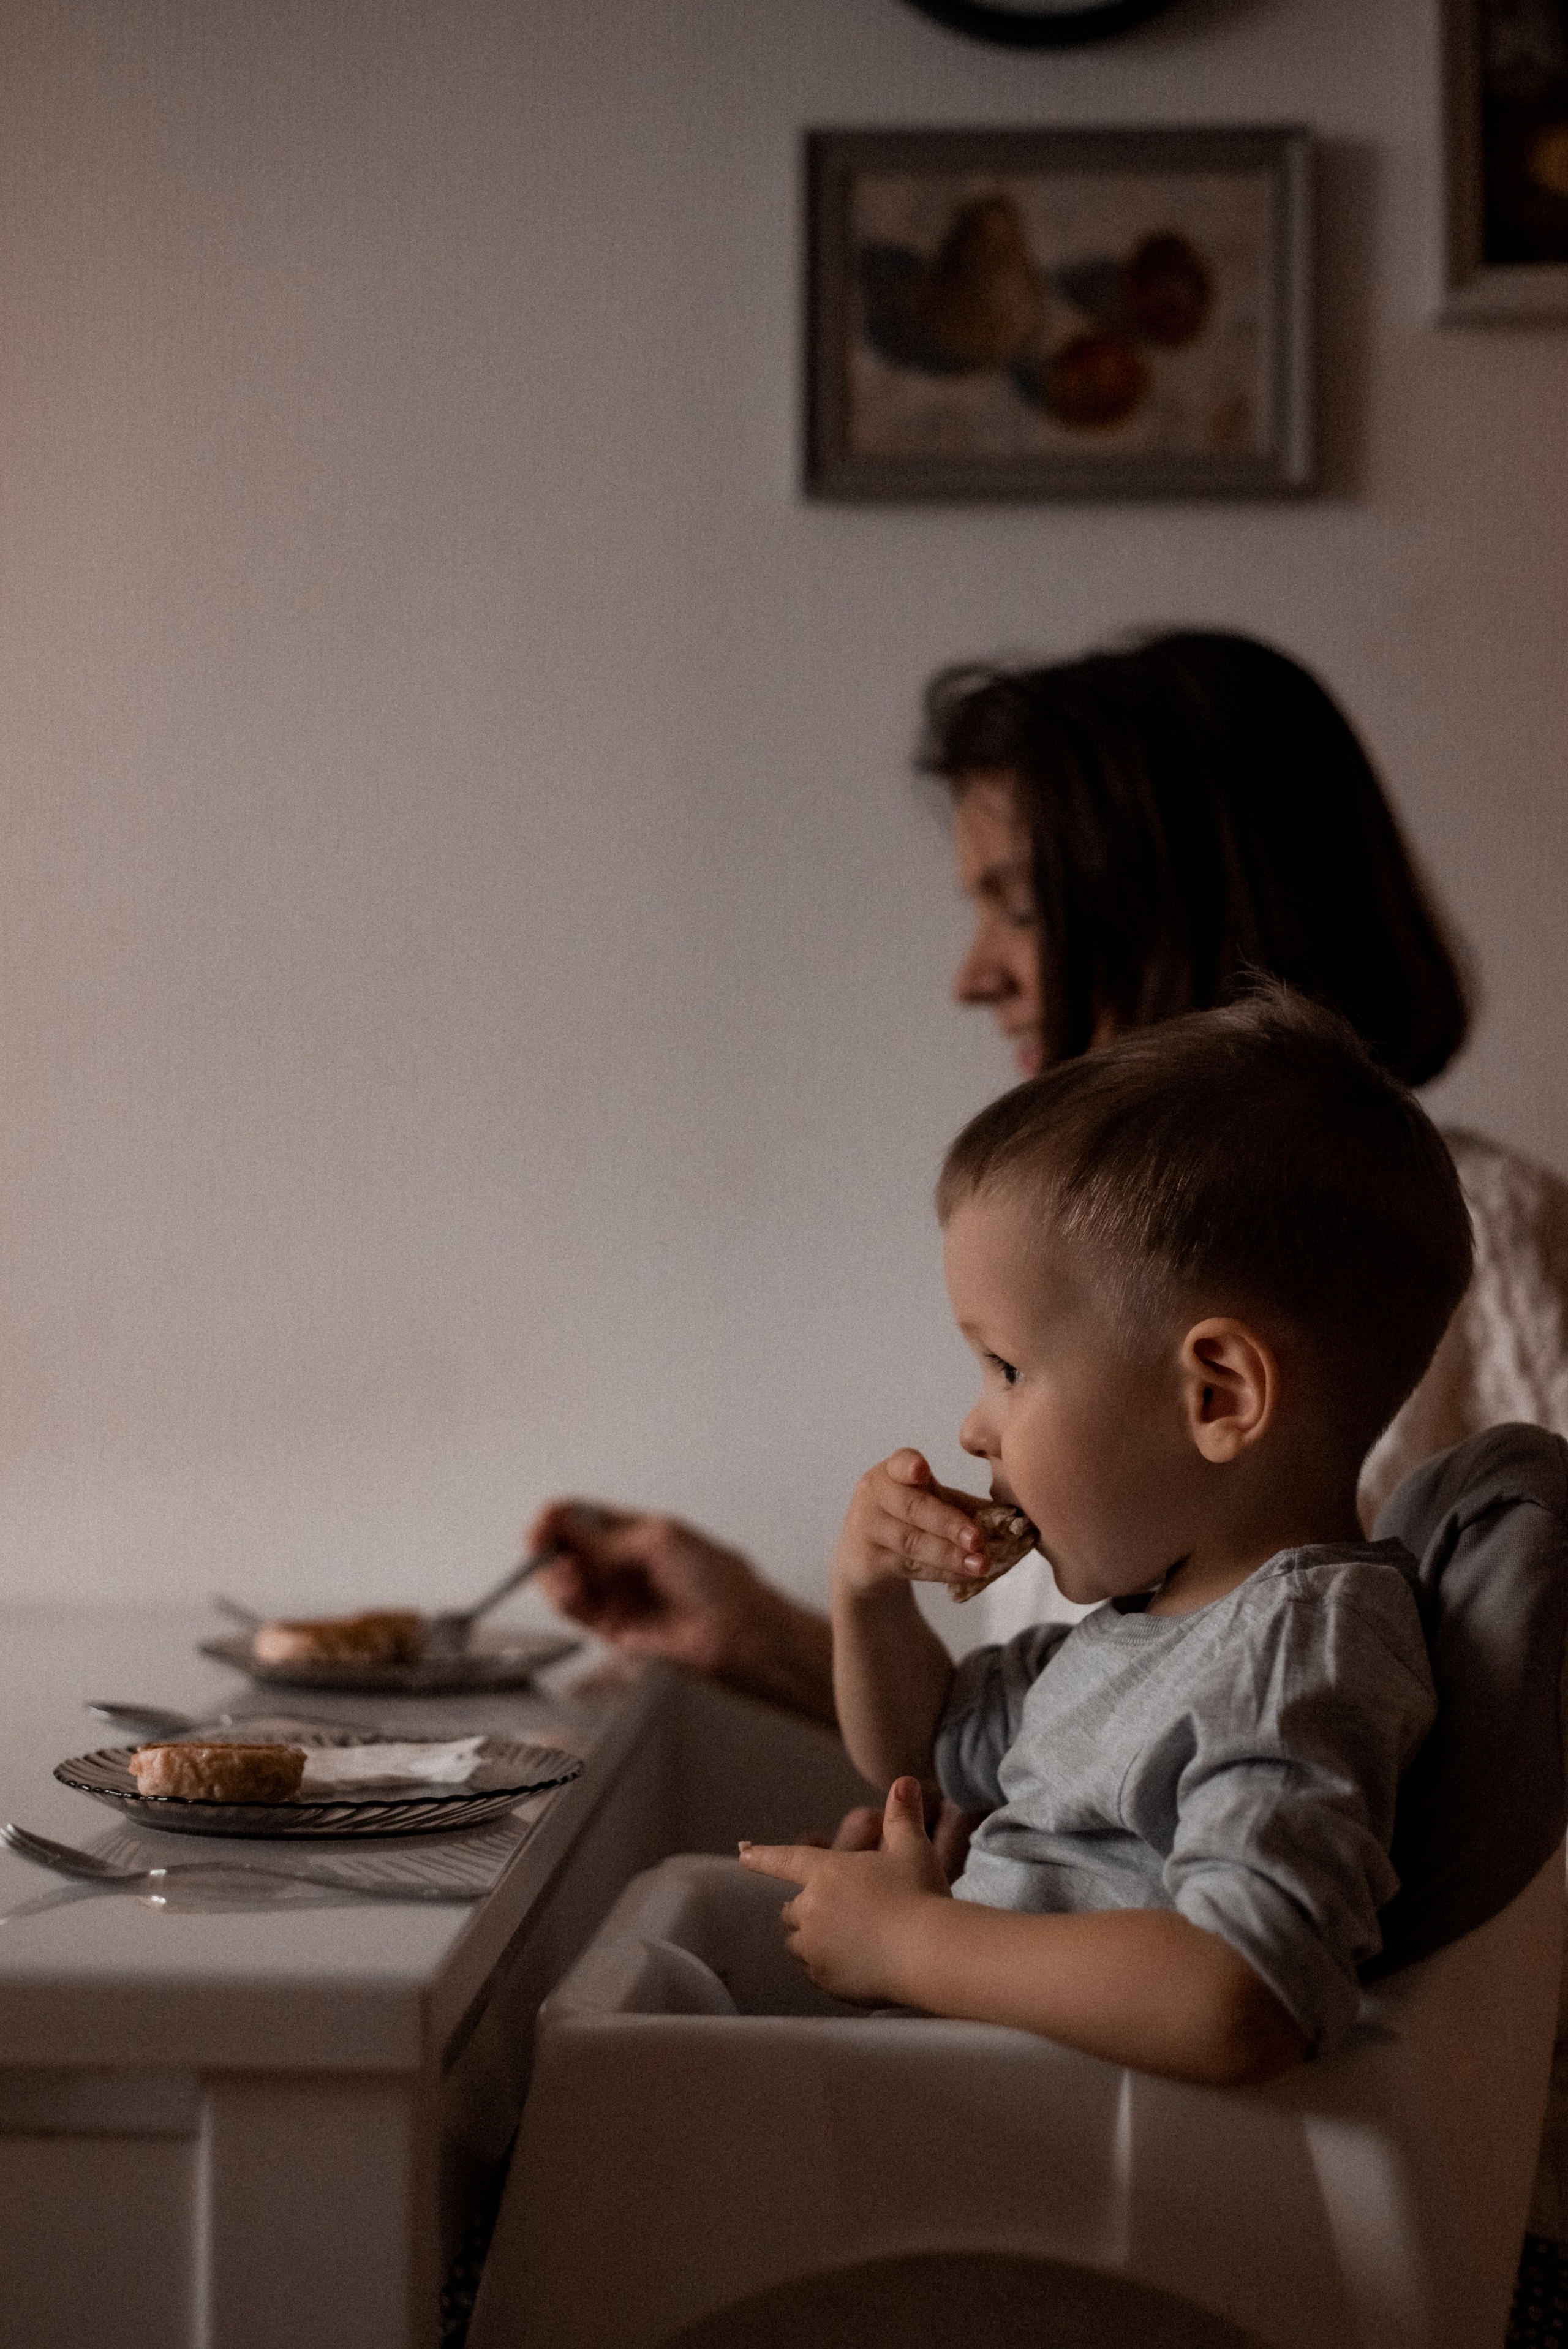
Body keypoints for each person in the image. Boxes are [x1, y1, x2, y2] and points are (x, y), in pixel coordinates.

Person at [530, 630, 1568, 1715]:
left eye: (1019, 909)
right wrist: (756, 1635)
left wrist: (952, 1891)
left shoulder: (1483, 1232)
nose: (973, 978)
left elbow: (1467, 1802)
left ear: (1189, 899)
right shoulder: (1099, 1259)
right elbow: (1085, 1748)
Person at [736, 992, 1472, 2084]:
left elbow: (1244, 1990)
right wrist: (868, 1592)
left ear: (1216, 1396)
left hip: (1090, 2202)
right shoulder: (1152, 1621)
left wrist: (912, 1945)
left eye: (1009, 1368)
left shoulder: (1291, 1648)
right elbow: (919, 1742)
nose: (974, 1422)